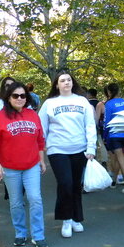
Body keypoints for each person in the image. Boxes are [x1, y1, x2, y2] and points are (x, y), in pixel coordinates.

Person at [0, 82, 48, 247]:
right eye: (16, 96)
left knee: (35, 199)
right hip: (10, 168)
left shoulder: (33, 115)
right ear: (9, 97)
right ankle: (20, 233)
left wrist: (41, 160)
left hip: (31, 165)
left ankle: (38, 235)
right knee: (16, 202)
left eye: (23, 96)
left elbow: (40, 140)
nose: (20, 98)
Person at [39, 71, 97, 238]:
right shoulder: (49, 103)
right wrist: (43, 148)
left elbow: (90, 125)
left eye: (69, 80)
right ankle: (66, 218)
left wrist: (91, 147)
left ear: (73, 83)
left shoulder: (82, 101)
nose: (66, 82)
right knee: (65, 183)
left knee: (76, 185)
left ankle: (76, 218)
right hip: (57, 149)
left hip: (80, 149)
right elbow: (42, 128)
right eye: (62, 80)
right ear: (57, 84)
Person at [102, 83, 124, 194]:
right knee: (118, 158)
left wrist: (104, 136)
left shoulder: (108, 104)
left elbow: (106, 122)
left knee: (120, 160)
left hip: (114, 134)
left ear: (110, 92)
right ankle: (113, 182)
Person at [87, 88, 109, 166]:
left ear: (89, 94)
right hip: (102, 127)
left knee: (91, 143)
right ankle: (104, 161)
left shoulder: (87, 104)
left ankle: (92, 159)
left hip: (92, 127)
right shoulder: (101, 103)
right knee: (101, 144)